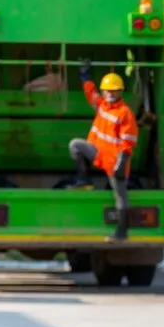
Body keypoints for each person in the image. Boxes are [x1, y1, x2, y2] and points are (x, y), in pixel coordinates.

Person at [68, 62, 139, 242]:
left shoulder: (125, 113)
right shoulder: (102, 105)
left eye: (114, 90)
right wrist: (85, 77)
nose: (110, 93)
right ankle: (84, 180)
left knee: (120, 196)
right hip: (98, 153)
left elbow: (128, 142)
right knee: (75, 145)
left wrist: (122, 164)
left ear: (120, 92)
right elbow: (91, 94)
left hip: (114, 161)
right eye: (107, 90)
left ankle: (121, 232)